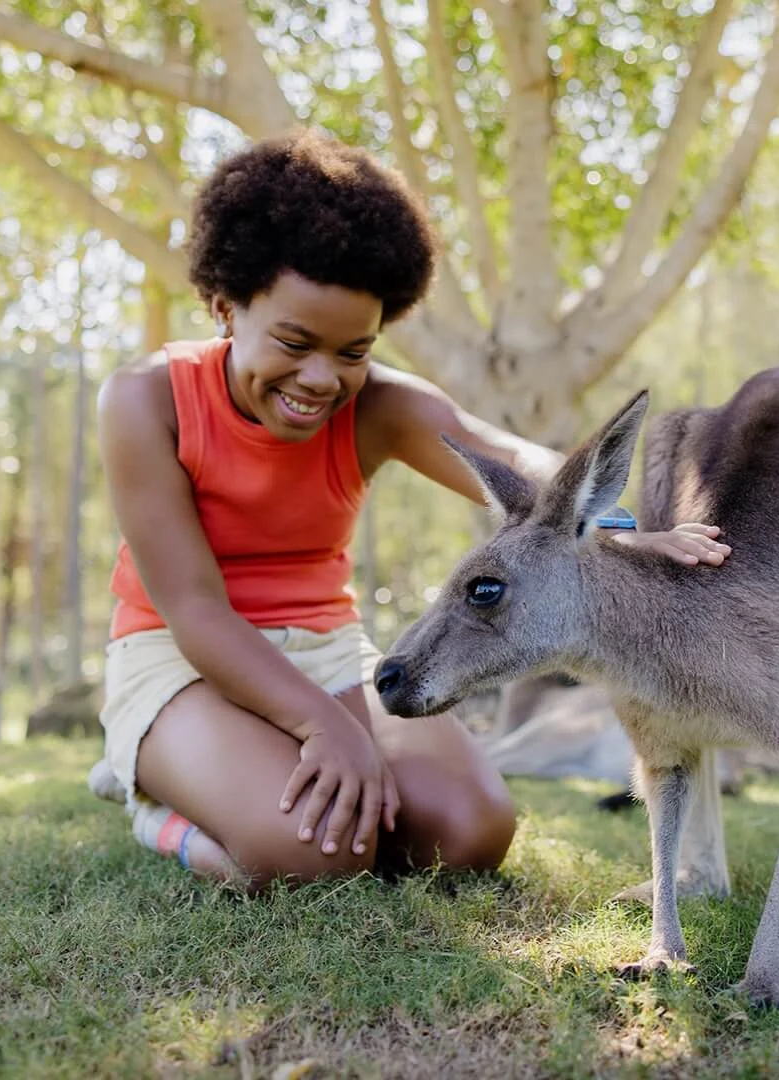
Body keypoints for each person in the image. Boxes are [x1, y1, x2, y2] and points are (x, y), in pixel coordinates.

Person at [84, 128, 732, 891]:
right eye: (294, 341)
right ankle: (155, 807)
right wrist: (326, 728)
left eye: (353, 351)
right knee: (314, 857)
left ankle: (247, 776)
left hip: (327, 651)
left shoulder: (384, 408)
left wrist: (626, 529)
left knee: (468, 835)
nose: (321, 378)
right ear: (226, 306)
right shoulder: (144, 399)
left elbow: (524, 462)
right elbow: (195, 612)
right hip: (181, 658)